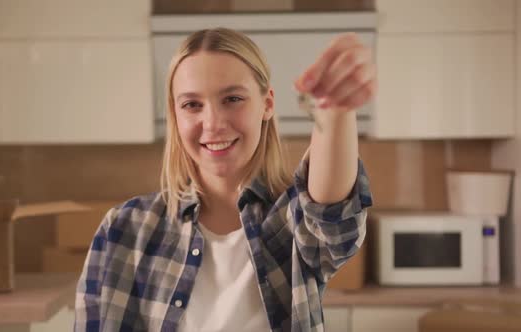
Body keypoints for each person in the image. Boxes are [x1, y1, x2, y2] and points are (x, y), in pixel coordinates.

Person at [75, 27, 374, 332]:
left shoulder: (290, 222)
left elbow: (331, 216)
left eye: (232, 98)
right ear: (175, 115)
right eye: (192, 105)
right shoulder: (124, 229)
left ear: (267, 104)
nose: (213, 123)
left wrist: (335, 108)